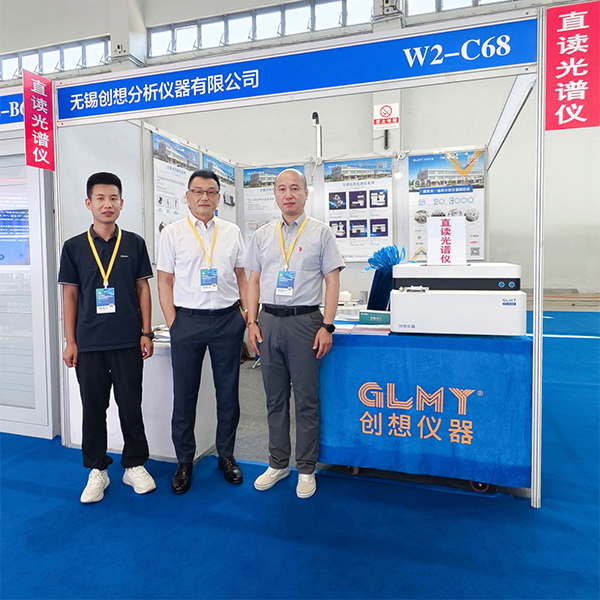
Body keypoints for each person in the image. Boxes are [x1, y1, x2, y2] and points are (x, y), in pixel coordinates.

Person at [246, 169, 344, 499]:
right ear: (275, 195)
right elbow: (254, 280)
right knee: (274, 397)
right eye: (281, 189)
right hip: (268, 321)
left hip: (305, 322)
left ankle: (305, 467)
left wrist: (327, 325)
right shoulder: (262, 235)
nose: (288, 194)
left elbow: (332, 281)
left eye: (294, 188)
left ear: (305, 193)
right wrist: (252, 321)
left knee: (305, 399)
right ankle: (277, 463)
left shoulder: (321, 233)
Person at [58, 172, 156, 504]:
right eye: (100, 198)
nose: (107, 204)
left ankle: (134, 465)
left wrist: (146, 332)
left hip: (128, 340)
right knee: (93, 408)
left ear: (122, 203)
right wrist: (71, 341)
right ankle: (97, 469)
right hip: (89, 343)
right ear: (89, 203)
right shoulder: (74, 247)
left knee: (130, 405)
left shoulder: (134, 243)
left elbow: (143, 289)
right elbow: (70, 295)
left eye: (113, 198)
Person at [157, 169, 248, 495]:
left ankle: (226, 455)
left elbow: (241, 276)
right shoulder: (173, 233)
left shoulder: (232, 232)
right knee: (184, 395)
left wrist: (246, 316)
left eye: (211, 192)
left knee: (228, 393)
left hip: (227, 320)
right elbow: (164, 280)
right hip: (187, 321)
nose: (204, 197)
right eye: (198, 191)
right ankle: (184, 461)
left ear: (218, 197)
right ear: (187, 196)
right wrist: (173, 323)